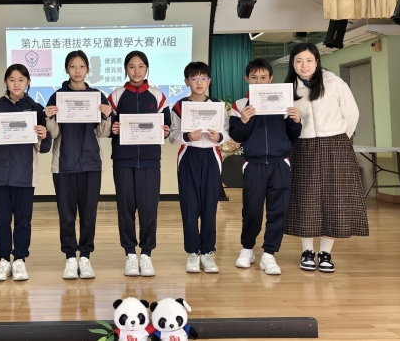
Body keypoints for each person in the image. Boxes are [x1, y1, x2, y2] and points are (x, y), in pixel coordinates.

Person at [284, 43, 368, 273]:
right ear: (293, 64)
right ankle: (307, 251)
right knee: (305, 198)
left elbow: (352, 114)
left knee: (335, 199)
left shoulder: (334, 83)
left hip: (336, 145)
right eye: (298, 61)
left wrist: (338, 138)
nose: (304, 65)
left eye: (308, 60)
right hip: (303, 146)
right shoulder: (288, 90)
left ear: (317, 61)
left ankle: (325, 253)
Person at [0, 64, 51, 281]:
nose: (16, 84)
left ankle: (19, 260)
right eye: (12, 79)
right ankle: (2, 260)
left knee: (23, 220)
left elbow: (45, 148)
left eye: (21, 80)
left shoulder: (36, 109)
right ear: (5, 82)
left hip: (25, 174)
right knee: (1, 220)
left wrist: (44, 135)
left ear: (28, 82)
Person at [228, 59, 302, 275]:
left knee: (278, 210)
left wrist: (296, 121)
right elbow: (236, 136)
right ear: (246, 79)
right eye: (254, 77)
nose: (259, 81)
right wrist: (243, 120)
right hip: (254, 164)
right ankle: (247, 249)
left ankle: (269, 254)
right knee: (251, 210)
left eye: (263, 77)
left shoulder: (283, 101)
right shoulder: (240, 105)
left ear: (271, 79)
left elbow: (293, 135)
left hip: (280, 163)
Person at [44, 50, 112, 279]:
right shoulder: (57, 97)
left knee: (89, 213)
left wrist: (106, 116)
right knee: (66, 214)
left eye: (82, 66)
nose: (77, 71)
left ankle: (85, 256)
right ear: (67, 69)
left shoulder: (97, 96)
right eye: (73, 66)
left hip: (91, 163)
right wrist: (49, 117)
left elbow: (102, 133)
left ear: (87, 69)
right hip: (63, 163)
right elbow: (54, 133)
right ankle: (70, 258)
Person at [108, 51, 171, 277]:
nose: (136, 71)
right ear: (126, 69)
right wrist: (113, 129)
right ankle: (129, 254)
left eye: (141, 66)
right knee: (125, 208)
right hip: (123, 161)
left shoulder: (158, 96)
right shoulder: (116, 96)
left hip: (150, 161)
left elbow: (166, 126)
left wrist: (165, 131)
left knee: (148, 208)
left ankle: (146, 254)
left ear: (147, 68)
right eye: (132, 66)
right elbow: (107, 126)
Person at [169, 61, 230, 274]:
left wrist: (218, 137)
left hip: (211, 157)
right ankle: (192, 253)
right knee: (190, 206)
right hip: (188, 156)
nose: (199, 82)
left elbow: (227, 132)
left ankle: (208, 252)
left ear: (209, 81)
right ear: (187, 82)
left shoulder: (218, 105)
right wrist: (187, 136)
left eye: (203, 78)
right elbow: (172, 136)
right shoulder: (179, 106)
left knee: (209, 207)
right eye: (194, 78)